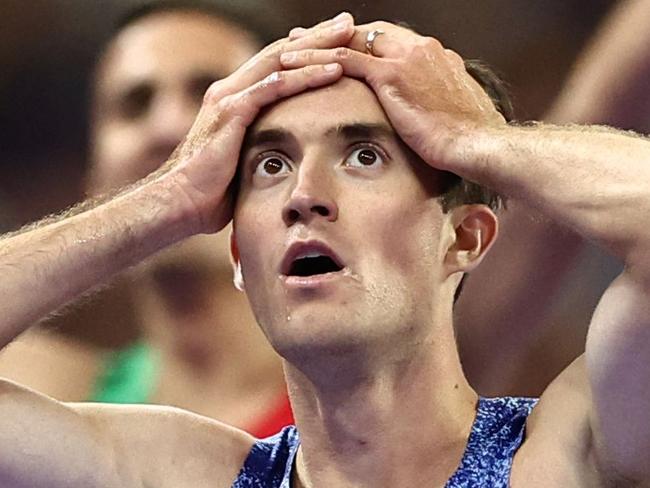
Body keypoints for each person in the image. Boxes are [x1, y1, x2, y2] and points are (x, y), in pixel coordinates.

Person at [2, 13, 650, 487]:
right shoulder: (180, 475)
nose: (302, 195)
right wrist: (167, 196)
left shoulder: (567, 452)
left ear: (464, 237)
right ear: (238, 256)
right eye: (271, 166)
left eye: (364, 156)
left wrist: (475, 141)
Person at [0, 1, 293, 436]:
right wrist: (165, 200)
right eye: (134, 104)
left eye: (208, 92)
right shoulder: (63, 397)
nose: (169, 126)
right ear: (94, 183)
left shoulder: (376, 392)